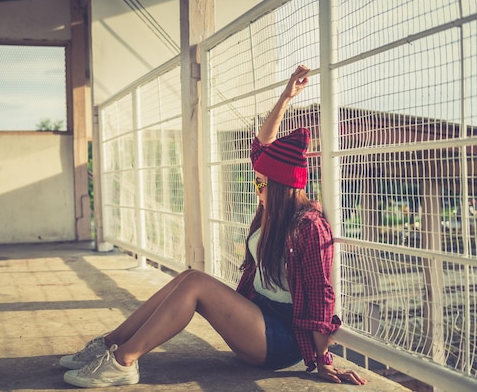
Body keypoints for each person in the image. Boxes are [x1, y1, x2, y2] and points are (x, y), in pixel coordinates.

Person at [60, 65, 367, 388]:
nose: (256, 189)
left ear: (280, 187)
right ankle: (110, 344)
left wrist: (323, 361)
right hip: (257, 314)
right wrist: (285, 98)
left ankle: (123, 363)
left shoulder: (308, 225)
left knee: (197, 285)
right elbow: (261, 148)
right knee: (189, 277)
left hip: (281, 339)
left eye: (261, 184)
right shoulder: (272, 210)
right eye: (255, 181)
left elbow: (321, 296)